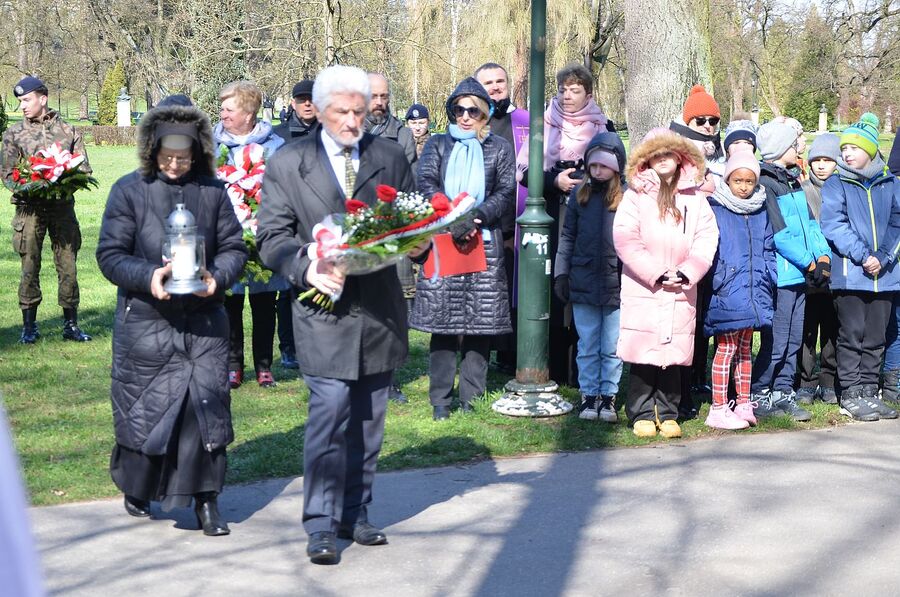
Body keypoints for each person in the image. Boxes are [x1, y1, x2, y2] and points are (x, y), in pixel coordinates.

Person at [256, 65, 423, 565]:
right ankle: (322, 523)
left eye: (360, 111)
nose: (352, 121)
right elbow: (271, 238)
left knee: (369, 420)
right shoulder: (289, 162)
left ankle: (356, 511)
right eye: (342, 112)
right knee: (330, 413)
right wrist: (306, 266)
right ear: (321, 110)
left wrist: (420, 244)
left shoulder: (389, 156)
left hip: (379, 310)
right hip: (322, 310)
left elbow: (413, 218)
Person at [96, 95, 248, 536]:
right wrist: (149, 276)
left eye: (184, 158)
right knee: (147, 410)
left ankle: (207, 502)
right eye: (167, 157)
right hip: (147, 321)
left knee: (204, 409)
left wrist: (217, 278)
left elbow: (234, 248)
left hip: (204, 322)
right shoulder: (128, 190)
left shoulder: (214, 193)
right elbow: (110, 255)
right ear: (152, 152)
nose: (176, 165)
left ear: (198, 153)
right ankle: (138, 487)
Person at [410, 77, 515, 421]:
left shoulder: (499, 147)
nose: (466, 116)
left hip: (484, 242)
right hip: (444, 240)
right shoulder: (438, 143)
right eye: (459, 110)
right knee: (443, 323)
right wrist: (452, 216)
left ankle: (472, 397)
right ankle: (440, 399)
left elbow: (505, 191)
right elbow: (426, 182)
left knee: (479, 325)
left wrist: (475, 217)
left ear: (485, 113)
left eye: (473, 110)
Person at [614, 129, 718, 438]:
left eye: (668, 154)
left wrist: (687, 272)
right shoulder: (635, 196)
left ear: (679, 157)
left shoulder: (695, 199)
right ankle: (642, 411)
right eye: (655, 155)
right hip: (645, 286)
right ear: (646, 159)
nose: (662, 160)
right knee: (644, 352)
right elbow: (626, 238)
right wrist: (655, 272)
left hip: (681, 286)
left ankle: (669, 411)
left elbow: (706, 238)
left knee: (674, 352)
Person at [517, 63, 613, 386]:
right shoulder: (543, 124)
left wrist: (587, 182)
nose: (567, 96)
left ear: (588, 93)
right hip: (551, 213)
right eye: (562, 90)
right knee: (552, 285)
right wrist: (553, 181)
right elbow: (523, 172)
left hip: (590, 213)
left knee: (581, 285)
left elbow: (615, 168)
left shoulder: (602, 126)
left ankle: (580, 372)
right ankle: (552, 367)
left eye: (575, 90)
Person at [1, 76, 92, 344]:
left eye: (26, 100)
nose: (22, 106)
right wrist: (32, 185)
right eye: (20, 101)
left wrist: (62, 184)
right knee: (29, 266)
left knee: (68, 266)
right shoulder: (14, 134)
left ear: (43, 98)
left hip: (62, 209)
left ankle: (71, 325)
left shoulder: (68, 130)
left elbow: (84, 170)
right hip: (29, 211)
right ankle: (29, 327)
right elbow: (7, 174)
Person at [821, 113, 900, 421]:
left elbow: (897, 223)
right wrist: (864, 255)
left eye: (854, 148)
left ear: (870, 150)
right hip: (851, 274)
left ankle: (869, 390)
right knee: (852, 335)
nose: (847, 154)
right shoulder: (836, 183)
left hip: (885, 276)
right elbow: (834, 224)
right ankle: (851, 393)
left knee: (876, 337)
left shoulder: (889, 183)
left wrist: (884, 256)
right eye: (844, 149)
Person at [750, 120, 831, 421]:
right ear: (779, 148)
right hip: (784, 275)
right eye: (793, 143)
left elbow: (810, 223)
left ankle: (784, 391)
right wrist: (808, 262)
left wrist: (823, 256)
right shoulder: (766, 182)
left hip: (801, 275)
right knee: (777, 339)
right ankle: (760, 392)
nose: (798, 147)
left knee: (794, 339)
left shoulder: (794, 180)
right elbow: (779, 234)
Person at [214, 81, 288, 388]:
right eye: (222, 109)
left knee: (264, 302)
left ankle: (264, 366)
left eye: (229, 109)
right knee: (229, 302)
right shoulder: (211, 146)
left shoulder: (275, 146)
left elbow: (285, 187)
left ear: (248, 113)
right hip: (226, 236)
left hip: (264, 234)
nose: (222, 114)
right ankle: (233, 365)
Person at [554, 132, 626, 423]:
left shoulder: (626, 198)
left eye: (604, 166)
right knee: (587, 343)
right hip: (583, 278)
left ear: (616, 168)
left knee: (612, 345)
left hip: (616, 282)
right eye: (593, 165)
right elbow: (567, 236)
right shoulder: (579, 195)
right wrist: (561, 273)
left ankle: (608, 395)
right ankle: (589, 394)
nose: (597, 171)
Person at [703, 148, 775, 430]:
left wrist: (769, 275)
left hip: (755, 290)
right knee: (726, 348)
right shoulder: (716, 208)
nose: (744, 187)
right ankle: (718, 406)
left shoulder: (760, 209)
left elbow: (768, 246)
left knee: (746, 348)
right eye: (738, 181)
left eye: (749, 181)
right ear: (728, 180)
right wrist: (719, 277)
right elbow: (711, 248)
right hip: (728, 290)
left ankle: (743, 402)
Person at [475, 62, 530, 375]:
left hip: (520, 220)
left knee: (518, 290)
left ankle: (516, 352)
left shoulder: (525, 121)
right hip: (489, 221)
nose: (496, 87)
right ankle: (489, 351)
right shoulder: (475, 123)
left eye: (500, 81)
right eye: (489, 83)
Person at [796, 133, 841, 405]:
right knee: (807, 329)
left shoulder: (844, 190)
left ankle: (828, 380)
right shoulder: (802, 190)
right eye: (817, 160)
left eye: (828, 160)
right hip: (810, 270)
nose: (822, 165)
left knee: (832, 329)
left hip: (838, 271)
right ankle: (806, 381)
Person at [365, 72, 417, 165]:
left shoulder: (404, 137)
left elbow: (412, 173)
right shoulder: (350, 133)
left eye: (383, 96)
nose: (379, 102)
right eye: (373, 96)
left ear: (388, 98)